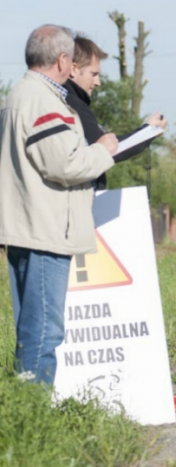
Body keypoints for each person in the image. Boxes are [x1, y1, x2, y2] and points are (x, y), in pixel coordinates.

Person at [0, 25, 118, 384]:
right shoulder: (42, 100)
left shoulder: (20, 95)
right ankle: (33, 419)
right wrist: (103, 150)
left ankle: (23, 410)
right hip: (45, 230)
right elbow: (63, 164)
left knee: (32, 329)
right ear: (64, 60)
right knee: (44, 333)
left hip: (29, 226)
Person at [65, 35, 166, 191]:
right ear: (74, 69)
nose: (98, 82)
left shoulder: (69, 101)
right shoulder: (73, 105)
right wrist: (148, 131)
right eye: (93, 74)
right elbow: (112, 149)